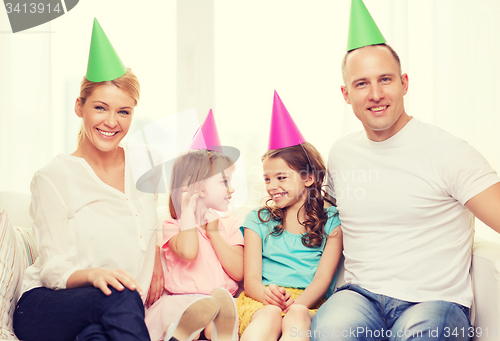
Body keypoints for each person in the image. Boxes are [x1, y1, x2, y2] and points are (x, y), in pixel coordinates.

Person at [311, 1, 500, 340]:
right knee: (330, 330)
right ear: (345, 93)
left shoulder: (449, 152)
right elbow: (328, 217)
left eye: (385, 79)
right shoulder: (341, 153)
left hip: (434, 301)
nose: (376, 94)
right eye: (361, 84)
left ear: (404, 83)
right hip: (360, 296)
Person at [13, 19, 163, 341]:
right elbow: (53, 270)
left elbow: (151, 227)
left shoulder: (147, 162)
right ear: (79, 107)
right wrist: (96, 275)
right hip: (44, 306)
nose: (112, 121)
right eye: (100, 107)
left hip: (111, 311)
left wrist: (160, 263)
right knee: (121, 295)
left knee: (99, 333)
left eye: (124, 112)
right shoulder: (53, 178)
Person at [237, 92, 343, 341]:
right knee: (269, 315)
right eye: (267, 178)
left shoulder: (331, 221)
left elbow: (323, 279)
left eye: (281, 177)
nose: (272, 185)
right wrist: (268, 296)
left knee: (296, 316)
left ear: (308, 178)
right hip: (263, 301)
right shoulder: (258, 220)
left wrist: (296, 304)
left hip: (308, 302)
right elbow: (251, 280)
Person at [145, 111, 243, 341]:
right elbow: (189, 252)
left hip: (222, 303)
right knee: (185, 316)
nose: (232, 189)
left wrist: (214, 234)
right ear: (197, 186)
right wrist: (187, 210)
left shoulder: (230, 224)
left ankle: (219, 333)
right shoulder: (171, 225)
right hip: (182, 301)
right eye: (224, 181)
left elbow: (238, 271)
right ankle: (181, 332)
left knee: (220, 317)